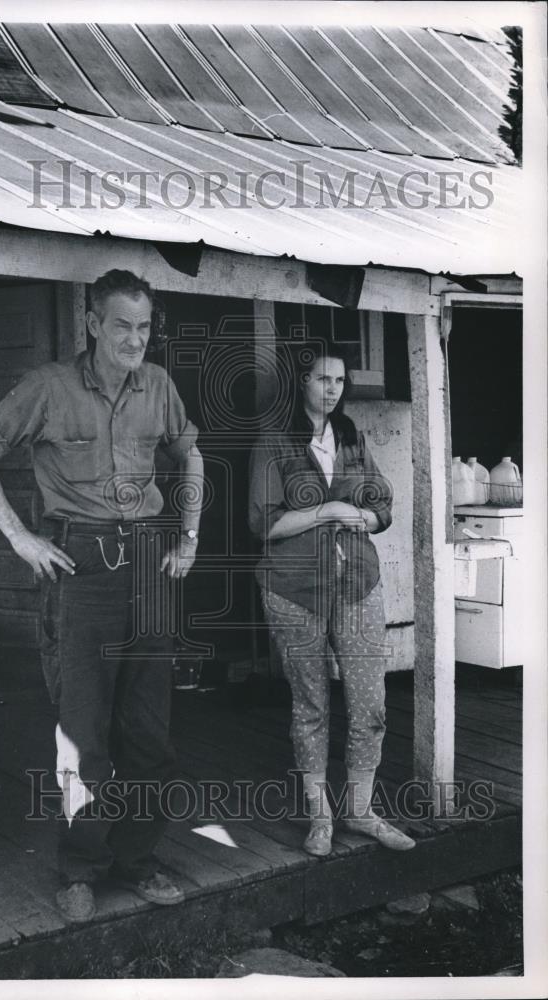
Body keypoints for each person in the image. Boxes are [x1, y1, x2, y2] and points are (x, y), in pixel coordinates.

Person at [0, 269, 203, 921]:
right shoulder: (47, 387)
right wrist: (18, 538)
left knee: (150, 732)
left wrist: (191, 536)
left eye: (144, 326)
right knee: (83, 731)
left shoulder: (159, 387)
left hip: (149, 563)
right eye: (121, 324)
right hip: (81, 567)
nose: (134, 338)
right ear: (93, 323)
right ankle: (80, 867)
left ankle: (137, 859)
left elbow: (192, 454)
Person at [248, 344, 415, 857]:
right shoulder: (274, 442)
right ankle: (320, 818)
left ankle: (360, 811)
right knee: (312, 704)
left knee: (370, 703)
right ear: (303, 381)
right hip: (294, 588)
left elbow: (382, 501)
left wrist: (366, 517)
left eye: (340, 381)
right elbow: (264, 522)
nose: (332, 389)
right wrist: (331, 509)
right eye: (323, 379)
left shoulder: (350, 437)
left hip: (356, 584)